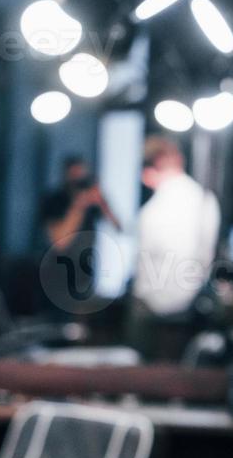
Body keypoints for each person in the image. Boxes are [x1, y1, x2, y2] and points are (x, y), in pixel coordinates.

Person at [127, 134, 221, 358]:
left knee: (139, 374)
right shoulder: (205, 199)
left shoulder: (157, 209)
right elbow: (204, 256)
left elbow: (152, 263)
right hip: (189, 304)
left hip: (153, 307)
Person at [39, 155, 120, 309]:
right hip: (58, 274)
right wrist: (78, 206)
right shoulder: (54, 200)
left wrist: (102, 201)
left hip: (85, 273)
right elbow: (60, 242)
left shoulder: (94, 202)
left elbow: (119, 228)